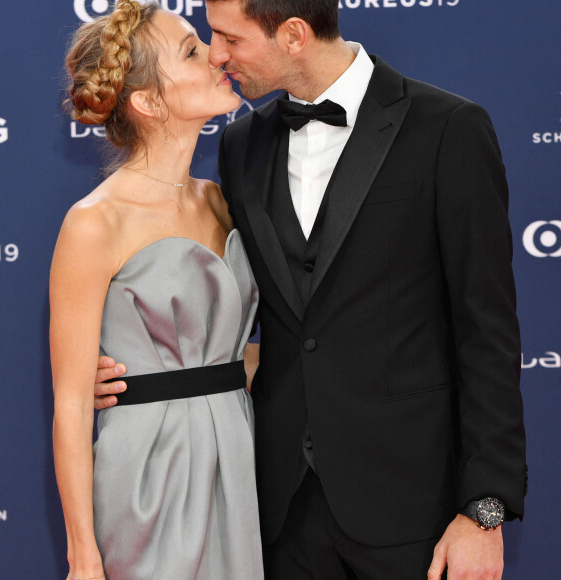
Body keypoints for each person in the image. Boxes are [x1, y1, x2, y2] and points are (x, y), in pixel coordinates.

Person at [94, 1, 527, 578]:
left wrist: (484, 510)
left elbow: (487, 333)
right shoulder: (241, 145)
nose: (217, 56)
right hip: (276, 512)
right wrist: (146, 377)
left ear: (293, 35)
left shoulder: (448, 129)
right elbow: (277, 321)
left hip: (409, 509)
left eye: (229, 38)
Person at [50, 1, 264, 579]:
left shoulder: (220, 200)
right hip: (147, 468)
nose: (216, 56)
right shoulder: (95, 223)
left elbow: (232, 353)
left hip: (237, 456)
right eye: (191, 51)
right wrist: (83, 557)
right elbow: (70, 405)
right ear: (148, 102)